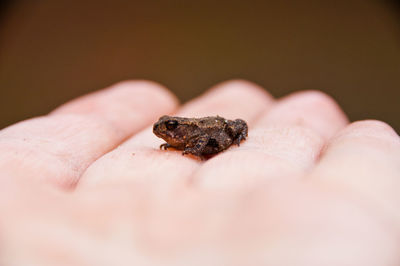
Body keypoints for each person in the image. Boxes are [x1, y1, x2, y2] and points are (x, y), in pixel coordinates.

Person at [0, 80, 399, 265]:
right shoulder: (175, 136)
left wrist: (202, 145)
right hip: (208, 129)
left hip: (217, 129)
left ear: (179, 127)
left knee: (233, 127)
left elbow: (216, 135)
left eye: (169, 127)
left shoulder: (191, 135)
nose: (164, 132)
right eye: (165, 127)